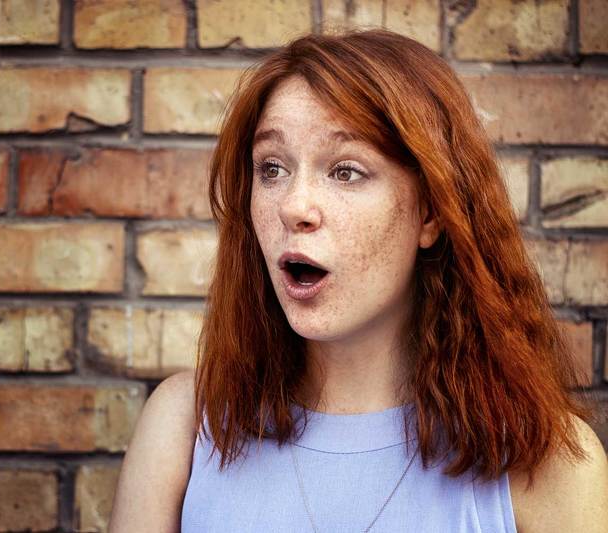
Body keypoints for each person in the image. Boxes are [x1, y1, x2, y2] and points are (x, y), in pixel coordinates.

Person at [108, 29, 608, 532]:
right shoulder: (187, 427)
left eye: (345, 172)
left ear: (430, 212)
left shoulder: (548, 466)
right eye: (272, 168)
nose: (293, 206)